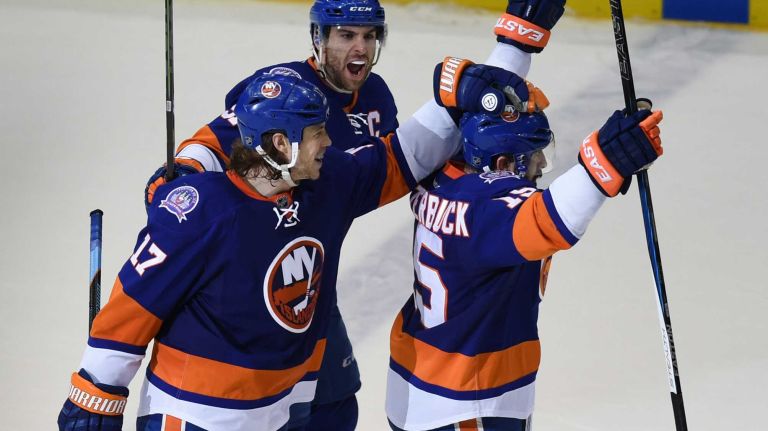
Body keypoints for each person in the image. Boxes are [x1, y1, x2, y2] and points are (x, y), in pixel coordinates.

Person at [57, 58, 548, 430]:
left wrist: (449, 100)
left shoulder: (325, 183)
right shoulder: (202, 207)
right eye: (316, 132)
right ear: (278, 144)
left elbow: (400, 158)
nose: (328, 142)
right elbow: (132, 306)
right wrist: (95, 395)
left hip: (285, 408)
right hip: (198, 416)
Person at [385, 105, 664, 431]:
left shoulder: (443, 180)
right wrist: (604, 164)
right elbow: (550, 220)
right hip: (464, 400)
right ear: (503, 164)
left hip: (431, 382)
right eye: (534, 154)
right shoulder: (486, 215)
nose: (543, 163)